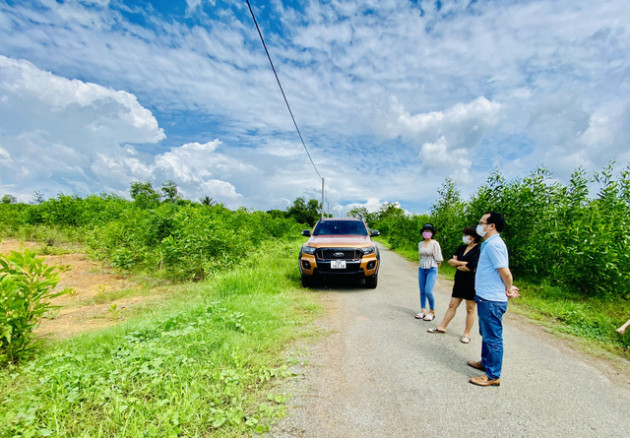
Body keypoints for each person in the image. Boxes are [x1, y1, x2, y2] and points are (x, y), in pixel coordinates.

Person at [467, 212, 519, 387]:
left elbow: (505, 272)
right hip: (484, 297)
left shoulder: (494, 245)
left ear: (492, 226)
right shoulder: (488, 243)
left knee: (493, 337)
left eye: (482, 223)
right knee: (486, 333)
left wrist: (509, 288)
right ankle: (485, 362)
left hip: (492, 300)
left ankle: (493, 375)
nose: (479, 226)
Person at [427, 226, 481, 343]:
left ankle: (467, 333)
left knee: (470, 309)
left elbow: (471, 267)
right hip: (459, 280)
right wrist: (461, 263)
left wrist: (459, 263)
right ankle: (442, 327)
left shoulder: (479, 249)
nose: (464, 237)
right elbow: (451, 261)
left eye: (466, 234)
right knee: (452, 305)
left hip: (472, 282)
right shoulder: (462, 248)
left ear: (473, 237)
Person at [415, 223, 443, 321]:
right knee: (422, 290)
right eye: (425, 231)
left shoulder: (435, 243)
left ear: (432, 233)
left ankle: (432, 311)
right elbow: (420, 257)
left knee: (428, 291)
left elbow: (439, 259)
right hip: (422, 268)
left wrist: (435, 271)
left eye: (429, 231)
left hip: (432, 268)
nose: (427, 233)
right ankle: (423, 310)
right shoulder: (420, 243)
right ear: (422, 232)